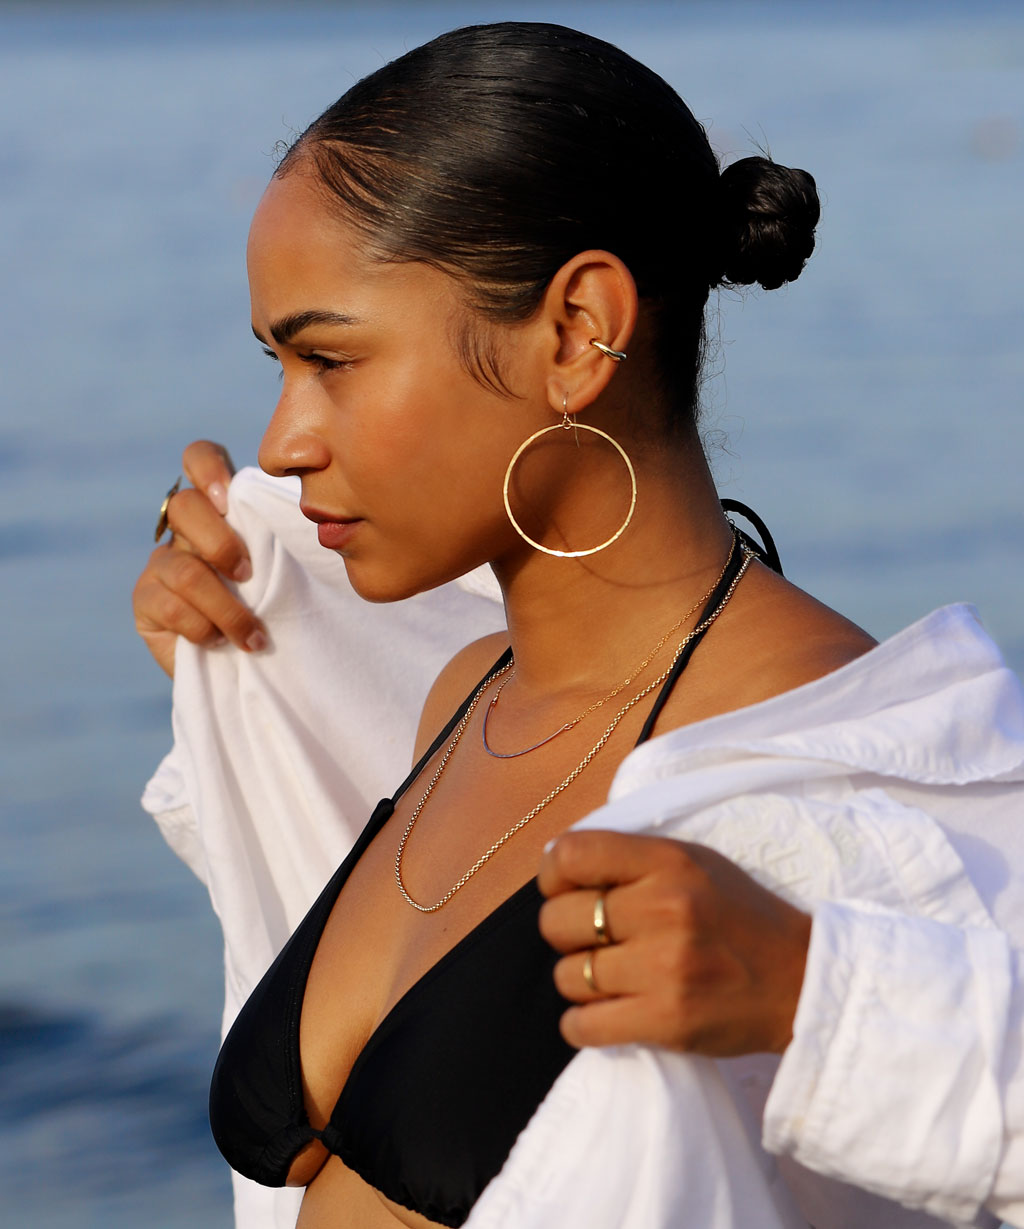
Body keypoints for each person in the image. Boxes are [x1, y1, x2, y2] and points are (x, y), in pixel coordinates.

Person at [135, 22, 1024, 1229]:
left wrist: (815, 997)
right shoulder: (461, 697)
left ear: (575, 334)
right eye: (279, 367)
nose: (284, 440)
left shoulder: (870, 776)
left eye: (330, 361)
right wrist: (244, 631)